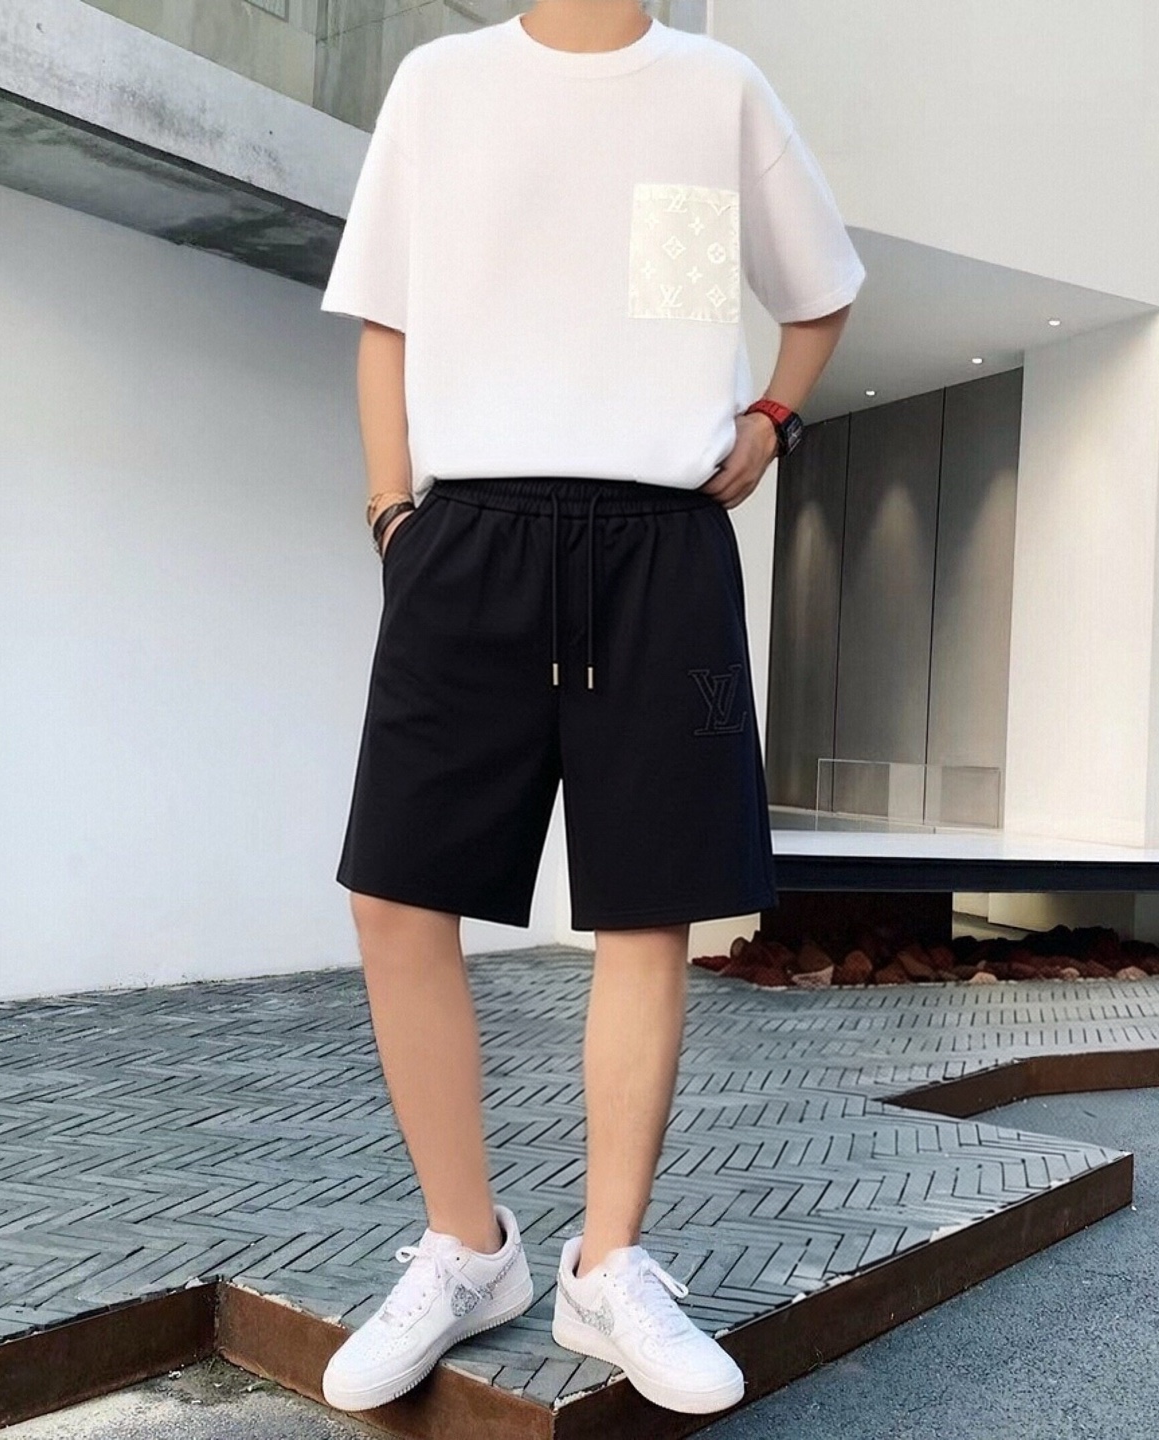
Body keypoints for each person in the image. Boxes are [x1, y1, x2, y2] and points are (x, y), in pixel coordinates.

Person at [314, 0, 862, 1418]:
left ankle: (607, 1265)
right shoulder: (441, 84)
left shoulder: (716, 88)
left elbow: (820, 290)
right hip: (467, 536)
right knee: (395, 892)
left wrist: (770, 420)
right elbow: (387, 320)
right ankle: (466, 1246)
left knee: (647, 904)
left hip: (659, 545)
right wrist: (390, 515)